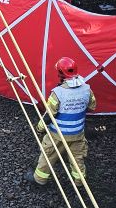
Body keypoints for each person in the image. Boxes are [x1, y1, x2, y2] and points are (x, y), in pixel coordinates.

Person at [32, 57, 97, 186]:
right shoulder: (87, 89)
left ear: (60, 73)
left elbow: (49, 114)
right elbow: (92, 106)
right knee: (77, 159)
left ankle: (39, 179)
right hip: (78, 133)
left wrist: (39, 128)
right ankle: (79, 182)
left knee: (48, 155)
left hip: (58, 134)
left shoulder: (58, 93)